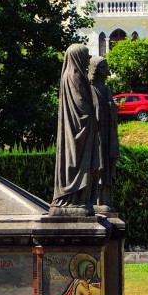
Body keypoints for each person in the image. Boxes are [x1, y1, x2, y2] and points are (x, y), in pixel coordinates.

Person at [51, 43, 99, 211]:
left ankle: (78, 199)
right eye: (86, 57)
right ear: (78, 57)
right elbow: (82, 109)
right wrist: (95, 115)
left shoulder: (72, 75)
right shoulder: (74, 76)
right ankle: (73, 198)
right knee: (76, 162)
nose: (88, 61)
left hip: (77, 131)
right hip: (77, 133)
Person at [89, 55, 120, 211]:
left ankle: (105, 201)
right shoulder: (90, 88)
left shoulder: (105, 89)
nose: (107, 70)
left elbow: (111, 109)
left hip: (107, 135)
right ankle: (96, 202)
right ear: (96, 69)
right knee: (98, 166)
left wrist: (111, 107)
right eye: (104, 67)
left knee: (107, 165)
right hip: (97, 136)